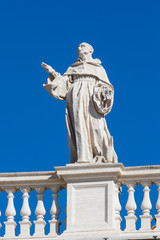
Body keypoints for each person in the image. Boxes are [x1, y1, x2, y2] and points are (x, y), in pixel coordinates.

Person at [42, 42, 117, 164]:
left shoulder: (98, 68)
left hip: (92, 97)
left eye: (83, 46)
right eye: (78, 47)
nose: (79, 48)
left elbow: (106, 86)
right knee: (79, 125)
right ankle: (83, 157)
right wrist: (53, 72)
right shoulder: (73, 68)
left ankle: (100, 155)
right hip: (75, 99)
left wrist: (105, 93)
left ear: (91, 50)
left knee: (96, 126)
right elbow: (64, 85)